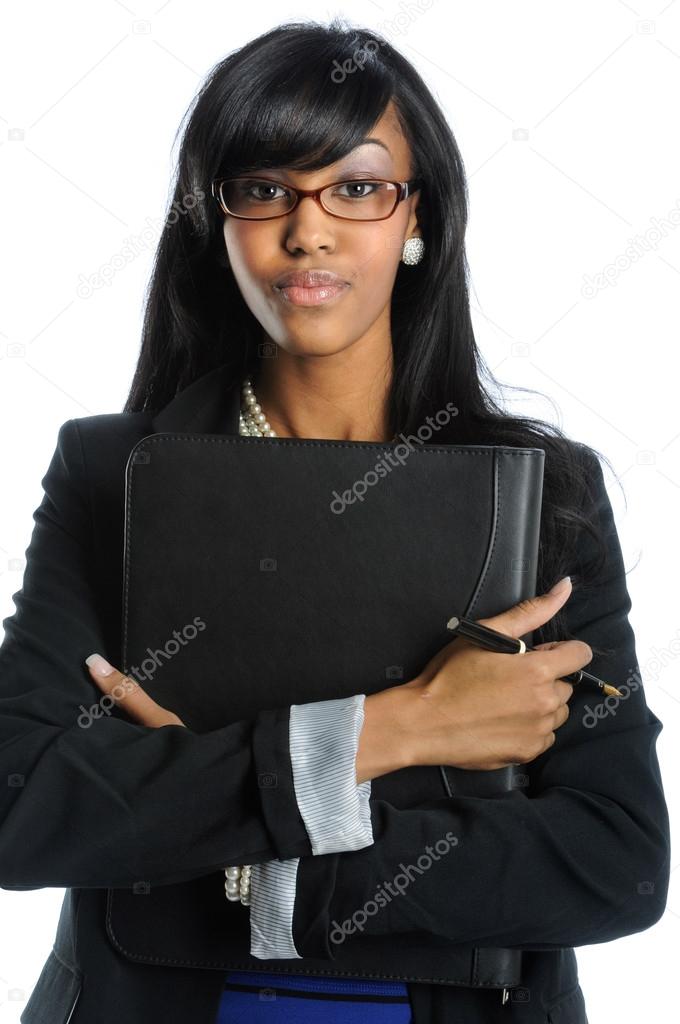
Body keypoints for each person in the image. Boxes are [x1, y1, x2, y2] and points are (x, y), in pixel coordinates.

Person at [1, 18, 670, 1024]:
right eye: (264, 188)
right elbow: (21, 808)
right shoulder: (110, 478)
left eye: (356, 187)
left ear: (418, 221)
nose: (306, 229)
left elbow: (615, 863)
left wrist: (255, 855)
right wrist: (396, 730)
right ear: (216, 219)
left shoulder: (539, 496)